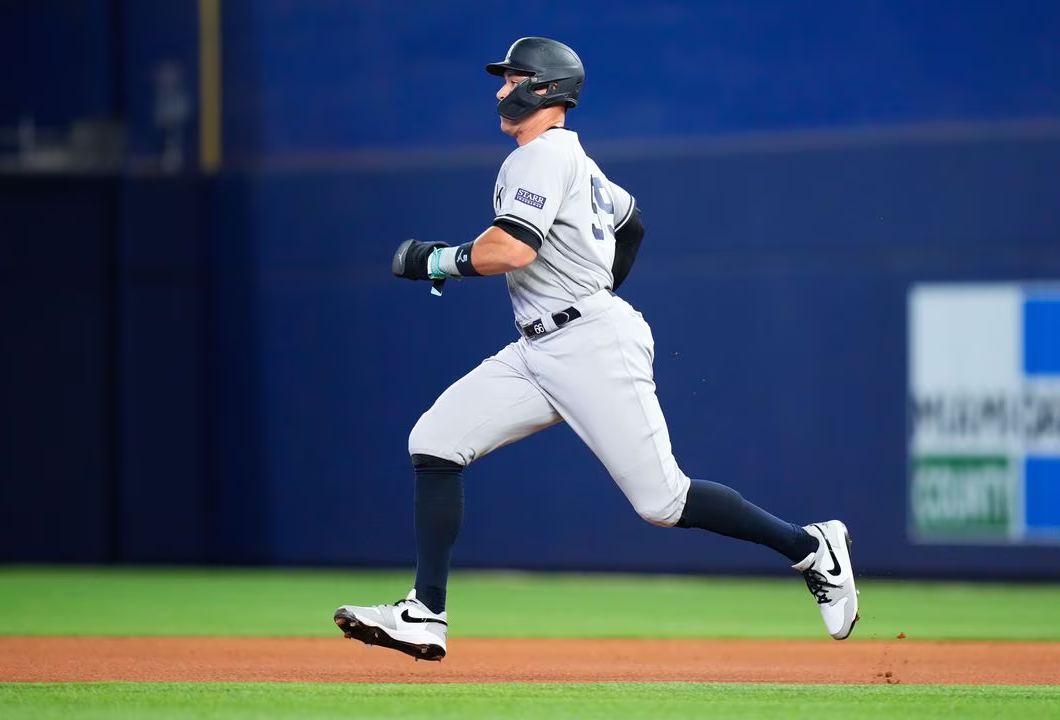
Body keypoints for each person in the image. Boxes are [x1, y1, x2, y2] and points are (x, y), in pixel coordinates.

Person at [334, 37, 858, 661]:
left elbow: (512, 248)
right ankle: (425, 613)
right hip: (540, 346)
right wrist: (593, 289)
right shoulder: (575, 162)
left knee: (663, 502)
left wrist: (436, 260)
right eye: (503, 79)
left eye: (513, 78)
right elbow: (630, 221)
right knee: (436, 440)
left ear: (546, 88)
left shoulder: (539, 156)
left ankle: (810, 547)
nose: (501, 90)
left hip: (586, 343)